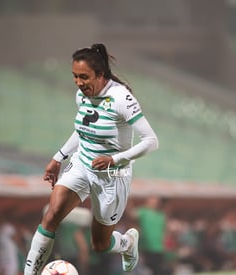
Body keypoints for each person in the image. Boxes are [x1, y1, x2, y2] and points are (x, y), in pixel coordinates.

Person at [24, 43, 159, 275]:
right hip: (82, 165)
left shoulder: (121, 98)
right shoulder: (82, 95)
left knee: (100, 245)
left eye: (84, 77)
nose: (78, 82)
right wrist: (58, 158)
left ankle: (126, 244)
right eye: (75, 76)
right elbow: (83, 129)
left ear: (100, 75)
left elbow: (151, 141)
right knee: (51, 216)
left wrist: (114, 159)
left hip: (112, 176)